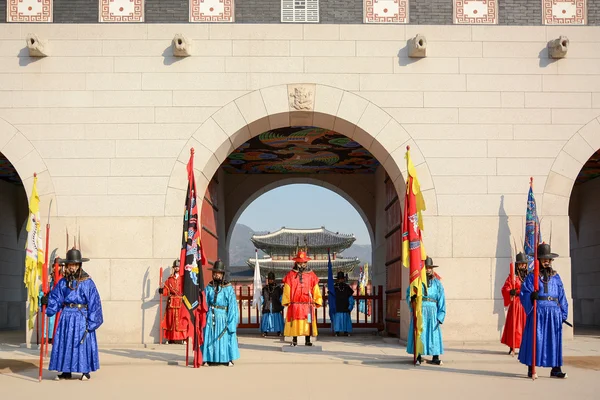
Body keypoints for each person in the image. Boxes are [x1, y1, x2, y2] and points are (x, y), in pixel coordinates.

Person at [41, 248, 103, 381]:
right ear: (67, 266)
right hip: (66, 316)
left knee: (81, 343)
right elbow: (56, 298)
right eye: (70, 265)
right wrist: (47, 301)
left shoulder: (87, 282)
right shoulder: (63, 282)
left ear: (79, 265)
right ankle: (66, 371)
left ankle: (85, 371)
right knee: (65, 342)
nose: (72, 267)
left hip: (81, 316)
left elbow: (94, 303)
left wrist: (91, 322)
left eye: (75, 264)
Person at [518, 243, 568, 379]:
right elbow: (524, 292)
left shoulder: (556, 277)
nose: (547, 261)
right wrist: (530, 296)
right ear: (538, 260)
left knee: (554, 340)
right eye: (544, 258)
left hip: (554, 313)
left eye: (548, 259)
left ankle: (556, 369)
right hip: (538, 312)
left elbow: (562, 295)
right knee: (535, 339)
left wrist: (563, 313)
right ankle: (531, 367)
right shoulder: (532, 277)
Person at [406, 256, 446, 366]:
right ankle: (418, 356)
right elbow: (409, 293)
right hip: (421, 310)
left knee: (434, 333)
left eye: (430, 268)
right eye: (426, 267)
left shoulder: (437, 283)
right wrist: (412, 301)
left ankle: (435, 357)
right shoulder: (417, 282)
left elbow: (441, 299)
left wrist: (440, 315)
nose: (428, 269)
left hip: (433, 310)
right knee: (420, 333)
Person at [201, 260, 240, 366]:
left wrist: (231, 322)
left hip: (223, 315)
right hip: (211, 315)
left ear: (222, 274)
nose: (216, 275)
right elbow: (204, 303)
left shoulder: (228, 288)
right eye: (214, 273)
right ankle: (208, 358)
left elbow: (232, 306)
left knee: (224, 337)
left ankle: (226, 358)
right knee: (209, 336)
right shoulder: (209, 287)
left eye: (218, 273)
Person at [282, 250, 323, 347]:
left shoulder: (311, 275)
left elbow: (315, 288)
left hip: (307, 305)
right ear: (296, 262)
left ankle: (307, 340)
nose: (302, 264)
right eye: (300, 262)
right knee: (294, 322)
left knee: (307, 322)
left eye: (304, 262)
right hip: (295, 304)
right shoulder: (291, 275)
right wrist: (287, 300)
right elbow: (287, 288)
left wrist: (317, 300)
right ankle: (294, 339)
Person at [501, 252, 528, 355]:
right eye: (521, 264)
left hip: (525, 304)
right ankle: (512, 347)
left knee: (525, 326)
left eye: (524, 264)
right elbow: (505, 288)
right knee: (514, 326)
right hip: (516, 304)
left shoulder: (529, 276)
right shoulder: (513, 277)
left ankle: (524, 347)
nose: (523, 266)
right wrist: (510, 292)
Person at [158, 259, 187, 344]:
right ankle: (170, 338)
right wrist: (162, 291)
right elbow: (167, 290)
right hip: (171, 302)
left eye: (178, 267)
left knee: (181, 321)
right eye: (175, 267)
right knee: (171, 320)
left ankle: (183, 338)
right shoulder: (170, 279)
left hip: (181, 302)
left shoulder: (184, 279)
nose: (177, 268)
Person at [260, 272, 284, 337]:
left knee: (276, 318)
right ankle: (265, 331)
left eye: (272, 279)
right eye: (270, 279)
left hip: (275, 305)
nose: (271, 280)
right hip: (267, 305)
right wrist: (260, 301)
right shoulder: (265, 288)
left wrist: (283, 303)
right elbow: (262, 297)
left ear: (274, 279)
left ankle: (278, 331)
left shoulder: (278, 288)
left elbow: (281, 297)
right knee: (266, 317)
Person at [332, 271, 354, 337]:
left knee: (346, 319)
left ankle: (346, 331)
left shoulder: (347, 287)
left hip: (345, 306)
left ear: (344, 279)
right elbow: (332, 298)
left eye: (342, 278)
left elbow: (351, 298)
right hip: (337, 306)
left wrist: (350, 306)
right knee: (337, 320)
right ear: (337, 279)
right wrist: (332, 306)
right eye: (339, 279)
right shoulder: (334, 287)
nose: (341, 280)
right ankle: (337, 331)